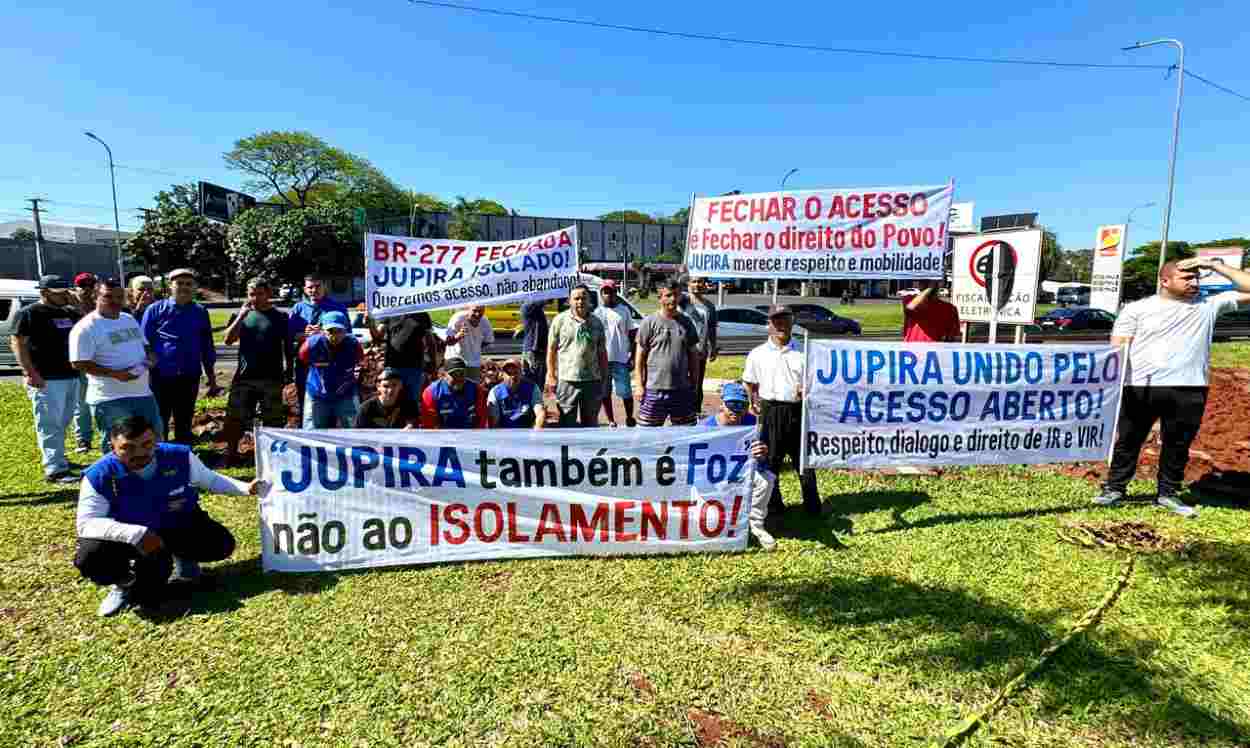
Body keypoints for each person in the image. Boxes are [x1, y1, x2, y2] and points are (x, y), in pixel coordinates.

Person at [1094, 258, 1250, 517]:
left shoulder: (1209, 305)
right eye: (1186, 277)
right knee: (1129, 440)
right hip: (1141, 387)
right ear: (1165, 281)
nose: (1194, 282)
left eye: (1197, 277)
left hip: (1190, 387)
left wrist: (1215, 266)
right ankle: (1114, 488)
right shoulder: (1137, 309)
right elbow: (1117, 349)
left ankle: (1168, 494)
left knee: (1178, 444)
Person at [74, 416, 262, 617]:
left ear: (156, 441)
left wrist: (246, 488)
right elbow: (87, 523)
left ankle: (184, 560)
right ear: (112, 447)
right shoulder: (99, 474)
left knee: (220, 543)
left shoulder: (178, 456)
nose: (139, 453)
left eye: (146, 444)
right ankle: (123, 583)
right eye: (128, 448)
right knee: (90, 555)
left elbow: (210, 479)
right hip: (132, 539)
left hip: (175, 524)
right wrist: (136, 534)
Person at [743, 305, 823, 516]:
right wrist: (752, 401)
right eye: (776, 320)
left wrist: (807, 390)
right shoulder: (757, 354)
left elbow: (816, 381)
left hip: (798, 410)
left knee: (804, 461)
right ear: (769, 324)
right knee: (770, 462)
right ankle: (773, 505)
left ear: (792, 322)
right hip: (770, 410)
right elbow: (749, 382)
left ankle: (812, 507)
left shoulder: (804, 351)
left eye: (785, 319)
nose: (781, 324)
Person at [70, 277, 163, 454]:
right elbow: (78, 363)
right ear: (95, 297)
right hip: (110, 399)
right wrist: (116, 374)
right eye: (108, 296)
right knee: (119, 448)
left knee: (153, 442)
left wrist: (150, 357)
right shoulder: (86, 327)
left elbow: (145, 346)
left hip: (143, 394)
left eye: (119, 297)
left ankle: (152, 472)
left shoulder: (128, 318)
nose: (115, 301)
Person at [11, 275, 83, 484]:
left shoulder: (69, 312)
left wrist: (77, 305)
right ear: (44, 293)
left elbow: (87, 325)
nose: (64, 296)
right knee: (49, 423)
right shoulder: (29, 313)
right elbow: (18, 343)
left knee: (64, 421)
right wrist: (30, 372)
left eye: (66, 292)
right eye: (59, 293)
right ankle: (55, 469)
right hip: (46, 377)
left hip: (70, 375)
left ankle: (60, 459)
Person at [141, 268, 220, 445]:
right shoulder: (154, 310)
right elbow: (143, 342)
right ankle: (159, 452)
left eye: (188, 284)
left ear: (194, 287)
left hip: (189, 375)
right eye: (179, 283)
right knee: (159, 417)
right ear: (171, 286)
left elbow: (207, 345)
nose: (184, 287)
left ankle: (183, 452)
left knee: (184, 417)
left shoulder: (200, 312)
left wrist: (211, 377)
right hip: (161, 375)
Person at [221, 279, 293, 464]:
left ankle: (273, 457)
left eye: (259, 294)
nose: (255, 298)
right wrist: (241, 316)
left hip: (272, 377)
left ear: (268, 294)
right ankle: (231, 453)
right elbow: (228, 340)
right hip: (244, 377)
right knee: (235, 417)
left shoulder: (280, 317)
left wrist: (289, 373)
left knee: (273, 419)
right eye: (251, 294)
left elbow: (288, 347)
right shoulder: (241, 315)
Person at [701, 381, 776, 550]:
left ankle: (755, 525)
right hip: (712, 477)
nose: (737, 410)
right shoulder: (705, 427)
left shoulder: (752, 423)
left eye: (742, 405)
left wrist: (763, 453)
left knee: (766, 479)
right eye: (732, 404)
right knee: (708, 524)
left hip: (740, 471)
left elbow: (761, 457)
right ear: (722, 404)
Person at [635, 280, 700, 427]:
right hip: (654, 389)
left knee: (685, 432)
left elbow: (694, 357)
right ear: (660, 298)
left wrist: (694, 385)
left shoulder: (687, 322)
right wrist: (639, 385)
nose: (673, 299)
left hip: (682, 390)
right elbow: (639, 357)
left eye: (676, 295)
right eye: (668, 295)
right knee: (647, 432)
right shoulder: (649, 322)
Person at [547, 284, 609, 427]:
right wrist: (551, 375)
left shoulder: (597, 323)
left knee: (591, 423)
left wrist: (605, 377)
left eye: (583, 298)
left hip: (592, 381)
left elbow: (602, 352)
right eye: (576, 298)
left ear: (589, 300)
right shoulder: (560, 321)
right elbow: (551, 350)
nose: (580, 302)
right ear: (569, 301)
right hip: (567, 380)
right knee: (567, 424)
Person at [287, 273, 348, 418]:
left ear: (324, 287)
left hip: (332, 363)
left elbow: (348, 334)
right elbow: (289, 336)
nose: (314, 290)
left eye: (317, 286)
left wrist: (325, 334)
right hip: (305, 364)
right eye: (310, 287)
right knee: (305, 402)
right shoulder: (298, 309)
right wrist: (304, 335)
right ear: (304, 289)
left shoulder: (337, 307)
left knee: (332, 401)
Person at [298, 311, 363, 429]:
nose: (335, 335)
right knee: (312, 430)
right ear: (323, 331)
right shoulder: (311, 345)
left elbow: (359, 360)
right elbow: (303, 359)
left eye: (339, 331)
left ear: (346, 330)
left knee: (354, 428)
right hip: (317, 394)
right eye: (330, 331)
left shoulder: (354, 345)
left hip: (345, 392)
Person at [366, 310, 434, 405]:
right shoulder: (389, 311)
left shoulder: (422, 314)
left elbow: (430, 341)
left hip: (414, 368)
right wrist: (371, 325)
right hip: (392, 367)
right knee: (389, 402)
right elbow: (377, 338)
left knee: (411, 404)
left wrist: (433, 363)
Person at [593, 280, 636, 427]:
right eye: (605, 292)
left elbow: (632, 334)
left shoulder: (624, 310)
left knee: (626, 391)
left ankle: (629, 417)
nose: (608, 295)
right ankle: (611, 420)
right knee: (605, 392)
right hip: (603, 360)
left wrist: (632, 356)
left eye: (610, 292)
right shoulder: (597, 313)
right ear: (601, 294)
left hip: (621, 358)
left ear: (615, 293)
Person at [678, 274, 719, 414]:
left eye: (700, 282)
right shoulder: (682, 301)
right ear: (688, 284)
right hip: (681, 351)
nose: (697, 284)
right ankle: (679, 412)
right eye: (694, 281)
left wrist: (713, 347)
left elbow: (712, 328)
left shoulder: (709, 306)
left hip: (699, 352)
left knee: (697, 384)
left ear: (704, 284)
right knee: (680, 383)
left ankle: (695, 412)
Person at [70, 272, 97, 453]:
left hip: (100, 360)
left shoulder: (100, 306)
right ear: (76, 288)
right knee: (82, 403)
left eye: (90, 286)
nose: (87, 289)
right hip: (81, 362)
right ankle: (83, 440)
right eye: (82, 286)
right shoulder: (69, 309)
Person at [421, 357, 488, 429]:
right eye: (453, 375)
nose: (458, 378)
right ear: (444, 375)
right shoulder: (431, 392)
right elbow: (429, 425)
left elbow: (482, 419)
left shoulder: (476, 390)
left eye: (462, 374)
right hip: (442, 434)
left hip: (470, 433)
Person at [488, 358, 547, 429]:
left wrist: (536, 431)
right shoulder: (495, 392)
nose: (512, 376)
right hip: (504, 432)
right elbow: (494, 422)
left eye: (515, 372)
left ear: (521, 373)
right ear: (502, 374)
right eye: (508, 373)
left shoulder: (532, 388)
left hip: (528, 431)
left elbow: (540, 413)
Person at [354, 368, 421, 429]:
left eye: (394, 385)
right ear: (378, 386)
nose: (390, 390)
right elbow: (358, 433)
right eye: (385, 386)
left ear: (400, 386)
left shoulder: (409, 406)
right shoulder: (366, 408)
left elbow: (412, 425)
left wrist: (410, 427)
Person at [444, 305, 495, 382]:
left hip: (473, 363)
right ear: (468, 309)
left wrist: (475, 348)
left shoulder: (485, 321)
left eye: (480, 311)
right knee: (452, 385)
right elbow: (448, 341)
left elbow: (488, 340)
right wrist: (457, 336)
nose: (477, 314)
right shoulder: (458, 318)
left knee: (472, 387)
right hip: (455, 360)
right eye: (474, 311)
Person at [517, 298, 550, 387]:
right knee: (535, 381)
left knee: (535, 380)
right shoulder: (527, 307)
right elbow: (545, 300)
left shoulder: (535, 310)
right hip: (534, 351)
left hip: (535, 350)